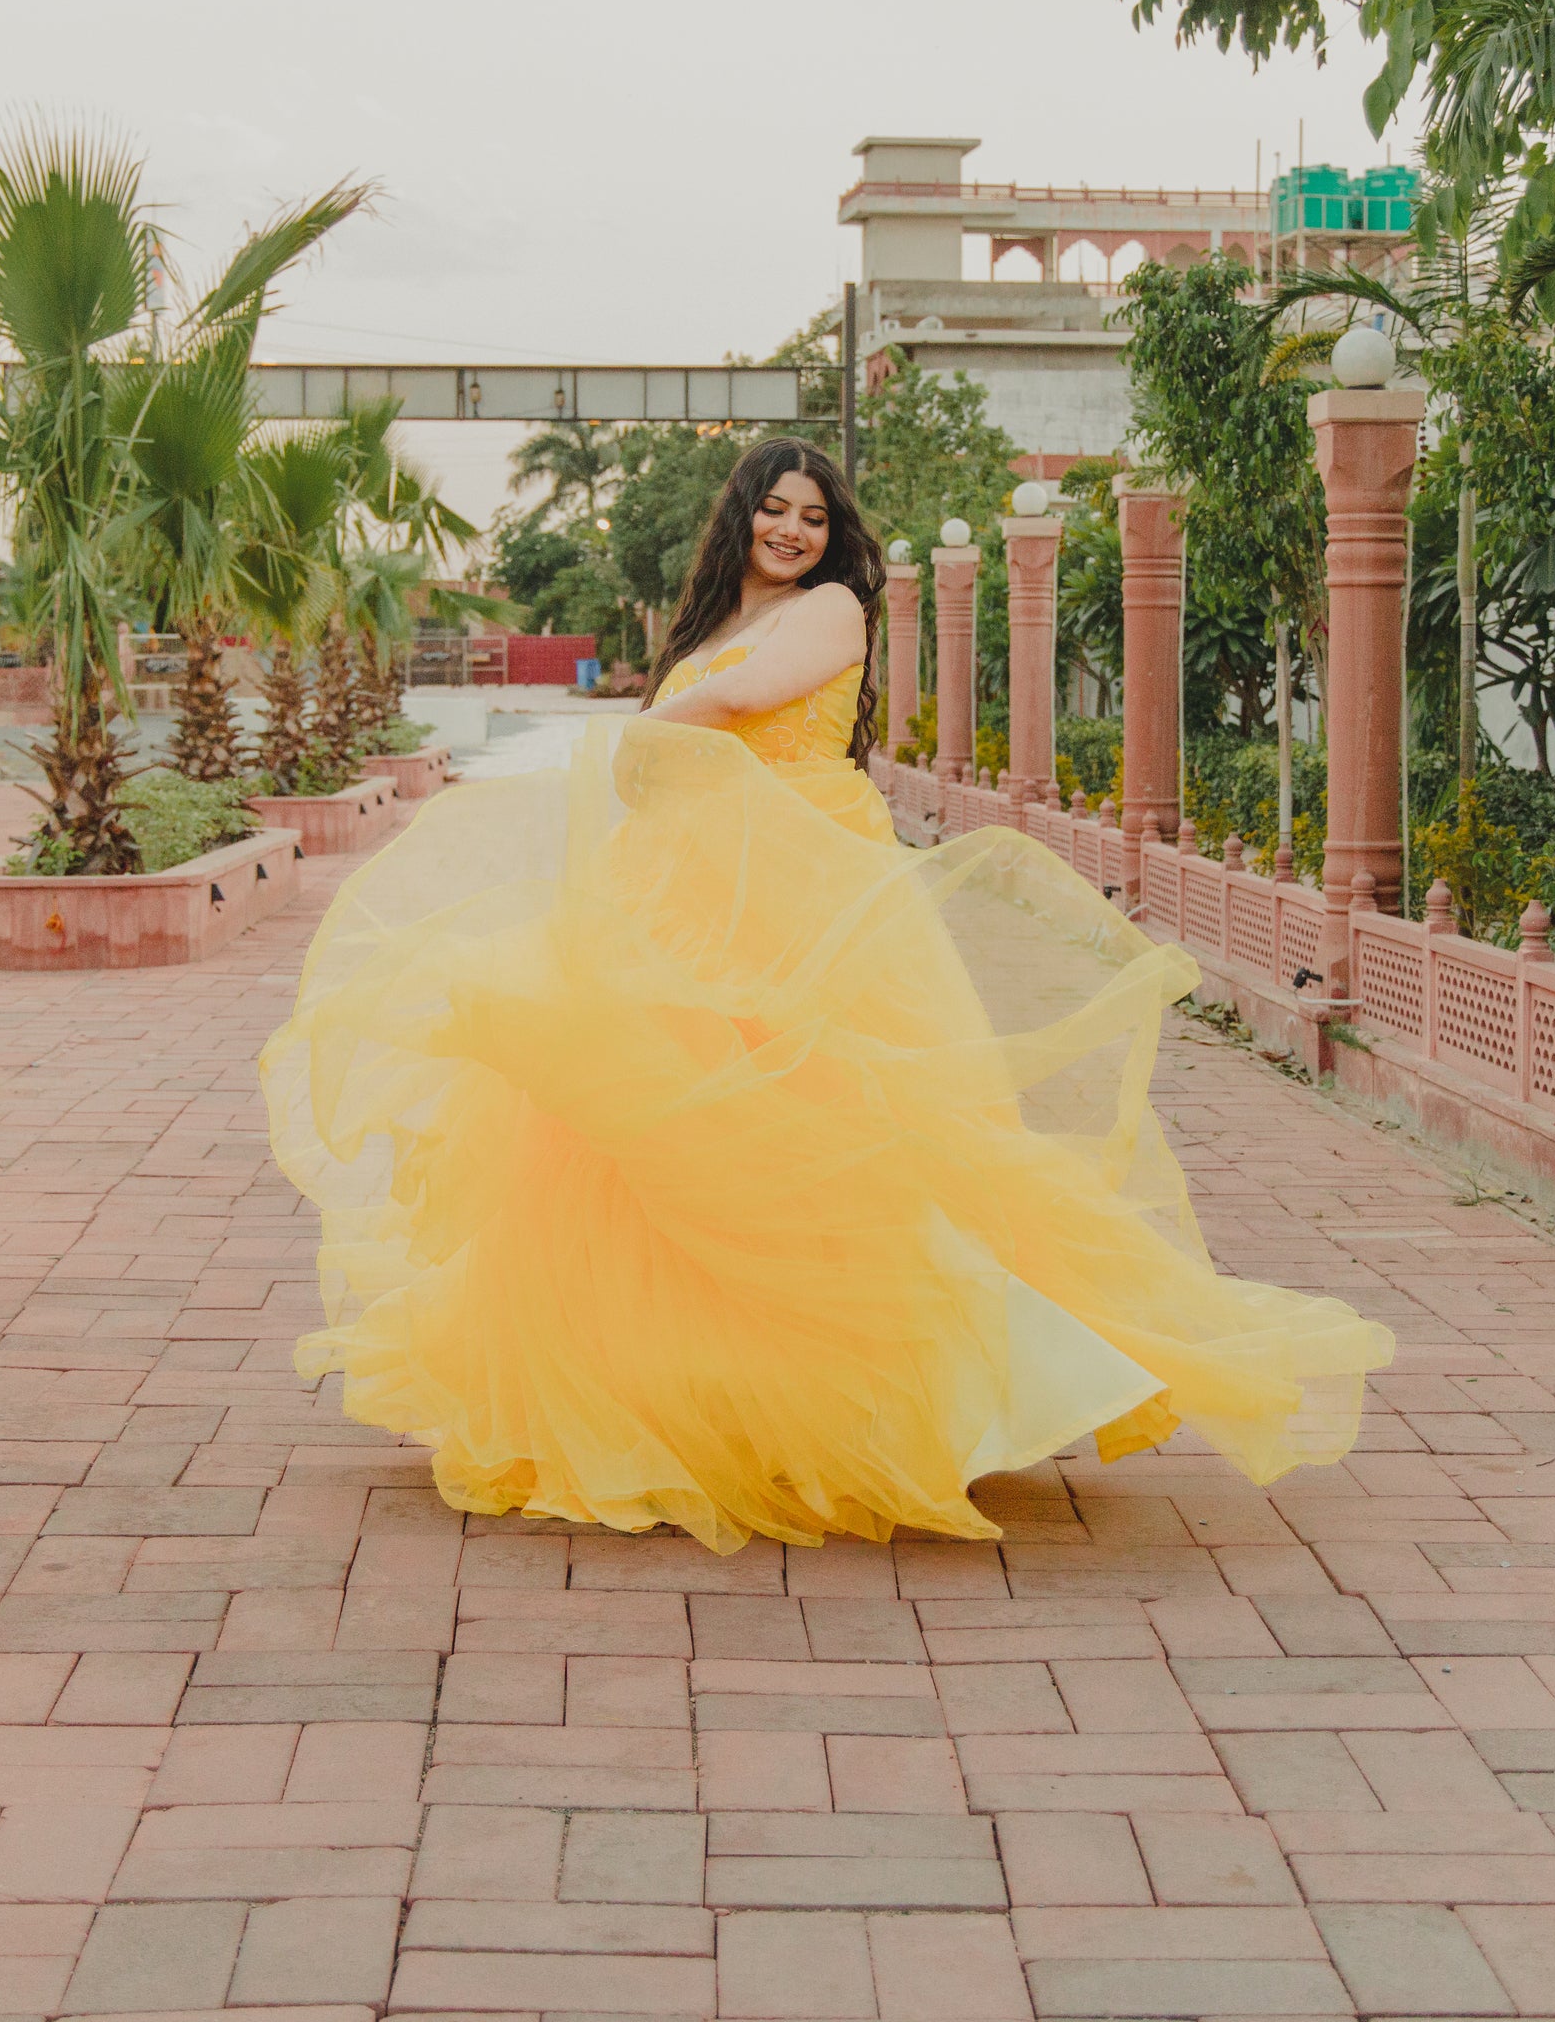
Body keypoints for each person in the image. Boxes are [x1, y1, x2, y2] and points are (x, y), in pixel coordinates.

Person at [259, 436, 1391, 1551]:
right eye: (775, 509)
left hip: (803, 883)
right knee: (664, 1132)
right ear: (741, 511)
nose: (793, 530)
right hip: (694, 884)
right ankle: (693, 1396)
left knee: (832, 1126)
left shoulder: (838, 607)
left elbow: (742, 705)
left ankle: (913, 1395)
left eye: (811, 514)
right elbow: (691, 730)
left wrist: (627, 736)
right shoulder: (713, 620)